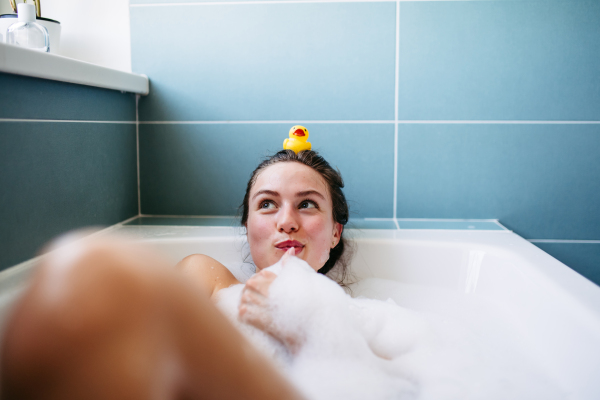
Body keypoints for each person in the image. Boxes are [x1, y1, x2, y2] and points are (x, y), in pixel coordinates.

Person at [0, 150, 351, 400]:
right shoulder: (211, 281)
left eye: (307, 204)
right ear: (248, 227)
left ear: (335, 232)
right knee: (86, 273)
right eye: (267, 204)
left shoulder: (360, 320)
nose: (286, 220)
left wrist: (302, 327)